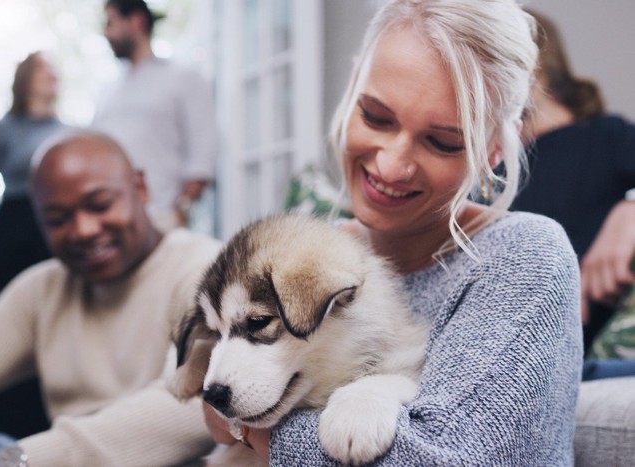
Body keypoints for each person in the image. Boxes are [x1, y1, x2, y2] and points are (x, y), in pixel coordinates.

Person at [202, 0, 582, 465]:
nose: (391, 164)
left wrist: (247, 427)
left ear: (496, 150)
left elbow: (450, 458)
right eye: (376, 117)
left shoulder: (523, 256)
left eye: (442, 141)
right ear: (354, 80)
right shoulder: (304, 261)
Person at [0, 130, 222, 466]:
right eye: (58, 219)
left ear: (140, 187)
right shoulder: (43, 288)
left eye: (100, 205)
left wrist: (27, 459)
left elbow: (200, 403)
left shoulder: (206, 271)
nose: (83, 229)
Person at [511, 10, 635, 356]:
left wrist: (630, 210)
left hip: (591, 348)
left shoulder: (606, 136)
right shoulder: (490, 171)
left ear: (529, 64)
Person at [0, 50, 72, 439]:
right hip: (11, 236)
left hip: (52, 235)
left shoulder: (67, 131)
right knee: (6, 331)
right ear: (27, 78)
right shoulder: (4, 130)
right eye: (45, 70)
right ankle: (3, 430)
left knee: (50, 326)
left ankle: (48, 428)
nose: (53, 76)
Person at [92, 0, 218, 231]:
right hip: (113, 224)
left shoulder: (183, 78)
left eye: (110, 23)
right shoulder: (107, 91)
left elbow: (203, 155)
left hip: (163, 222)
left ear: (136, 21)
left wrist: (178, 214)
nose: (105, 33)